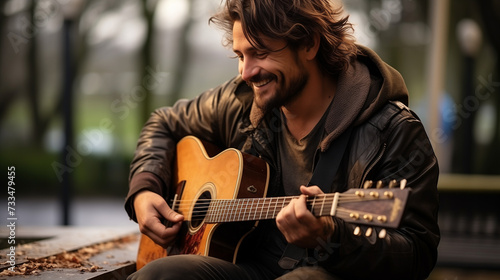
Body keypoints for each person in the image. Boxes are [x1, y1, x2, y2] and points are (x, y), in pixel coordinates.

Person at [125, 0, 440, 279]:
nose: (246, 72)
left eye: (259, 53)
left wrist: (331, 235)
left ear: (309, 45)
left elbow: (417, 254)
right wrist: (145, 189)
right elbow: (163, 122)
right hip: (249, 266)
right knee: (161, 273)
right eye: (240, 55)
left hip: (331, 273)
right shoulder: (240, 101)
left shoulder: (392, 130)